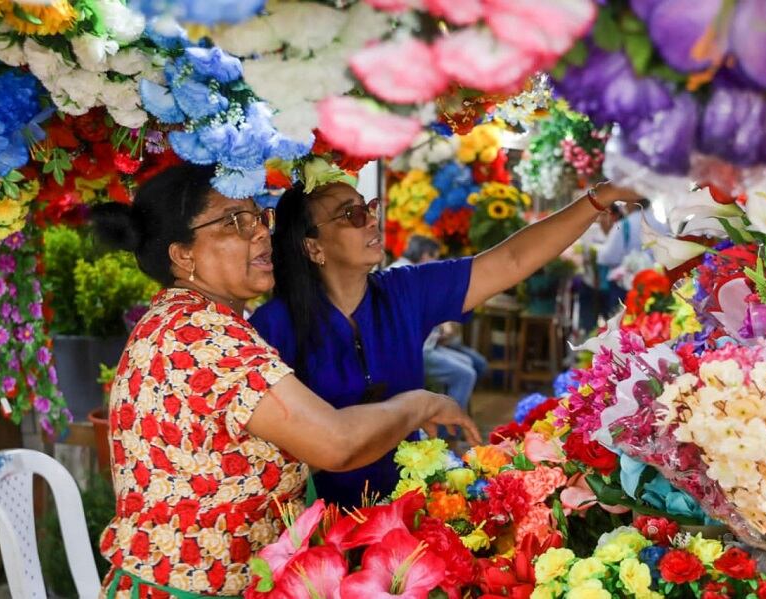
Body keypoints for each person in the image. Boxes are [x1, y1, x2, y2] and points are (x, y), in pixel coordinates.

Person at [90, 164, 479, 598]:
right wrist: (421, 404)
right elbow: (337, 444)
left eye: (259, 217)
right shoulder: (202, 335)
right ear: (184, 255)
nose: (261, 232)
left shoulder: (189, 320)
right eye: (235, 222)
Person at [250, 180, 642, 507]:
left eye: (369, 208)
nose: (370, 220)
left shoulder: (404, 291)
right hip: (315, 520)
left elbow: (511, 260)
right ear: (313, 247)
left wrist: (600, 198)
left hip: (409, 504)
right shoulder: (273, 326)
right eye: (351, 215)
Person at [389, 235, 487, 416]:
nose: (437, 262)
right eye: (435, 257)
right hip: (413, 351)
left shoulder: (404, 271)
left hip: (424, 345)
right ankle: (445, 428)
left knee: (469, 363)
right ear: (425, 255)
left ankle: (445, 417)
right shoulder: (406, 274)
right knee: (466, 374)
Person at [596, 199, 666, 314]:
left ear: (631, 203)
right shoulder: (661, 225)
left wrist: (600, 249)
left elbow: (609, 257)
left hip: (625, 288)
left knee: (623, 320)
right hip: (655, 284)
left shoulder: (625, 224)